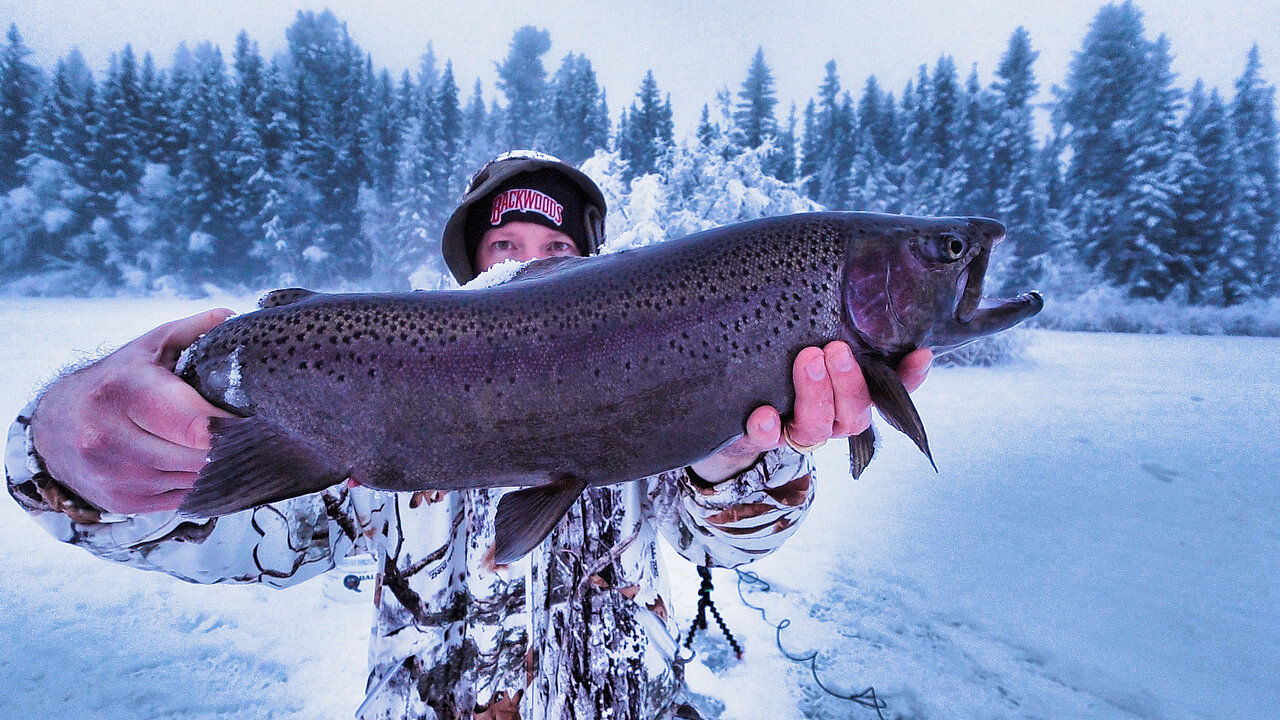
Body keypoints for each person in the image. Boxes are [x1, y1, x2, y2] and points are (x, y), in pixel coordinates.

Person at [6, 151, 932, 719]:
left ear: (601, 276)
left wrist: (741, 453)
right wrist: (64, 449)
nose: (530, 266)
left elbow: (730, 541)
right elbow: (197, 530)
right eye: (506, 250)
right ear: (465, 270)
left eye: (560, 255)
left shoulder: (671, 390)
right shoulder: (369, 407)